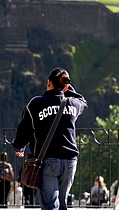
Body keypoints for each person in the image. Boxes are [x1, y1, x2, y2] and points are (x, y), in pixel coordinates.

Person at [12, 67, 88, 210]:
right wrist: (66, 88)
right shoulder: (72, 103)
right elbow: (82, 100)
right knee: (63, 203)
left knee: (50, 205)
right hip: (70, 160)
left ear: (48, 82)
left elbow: (25, 129)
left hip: (47, 160)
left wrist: (18, 146)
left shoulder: (36, 103)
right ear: (66, 85)